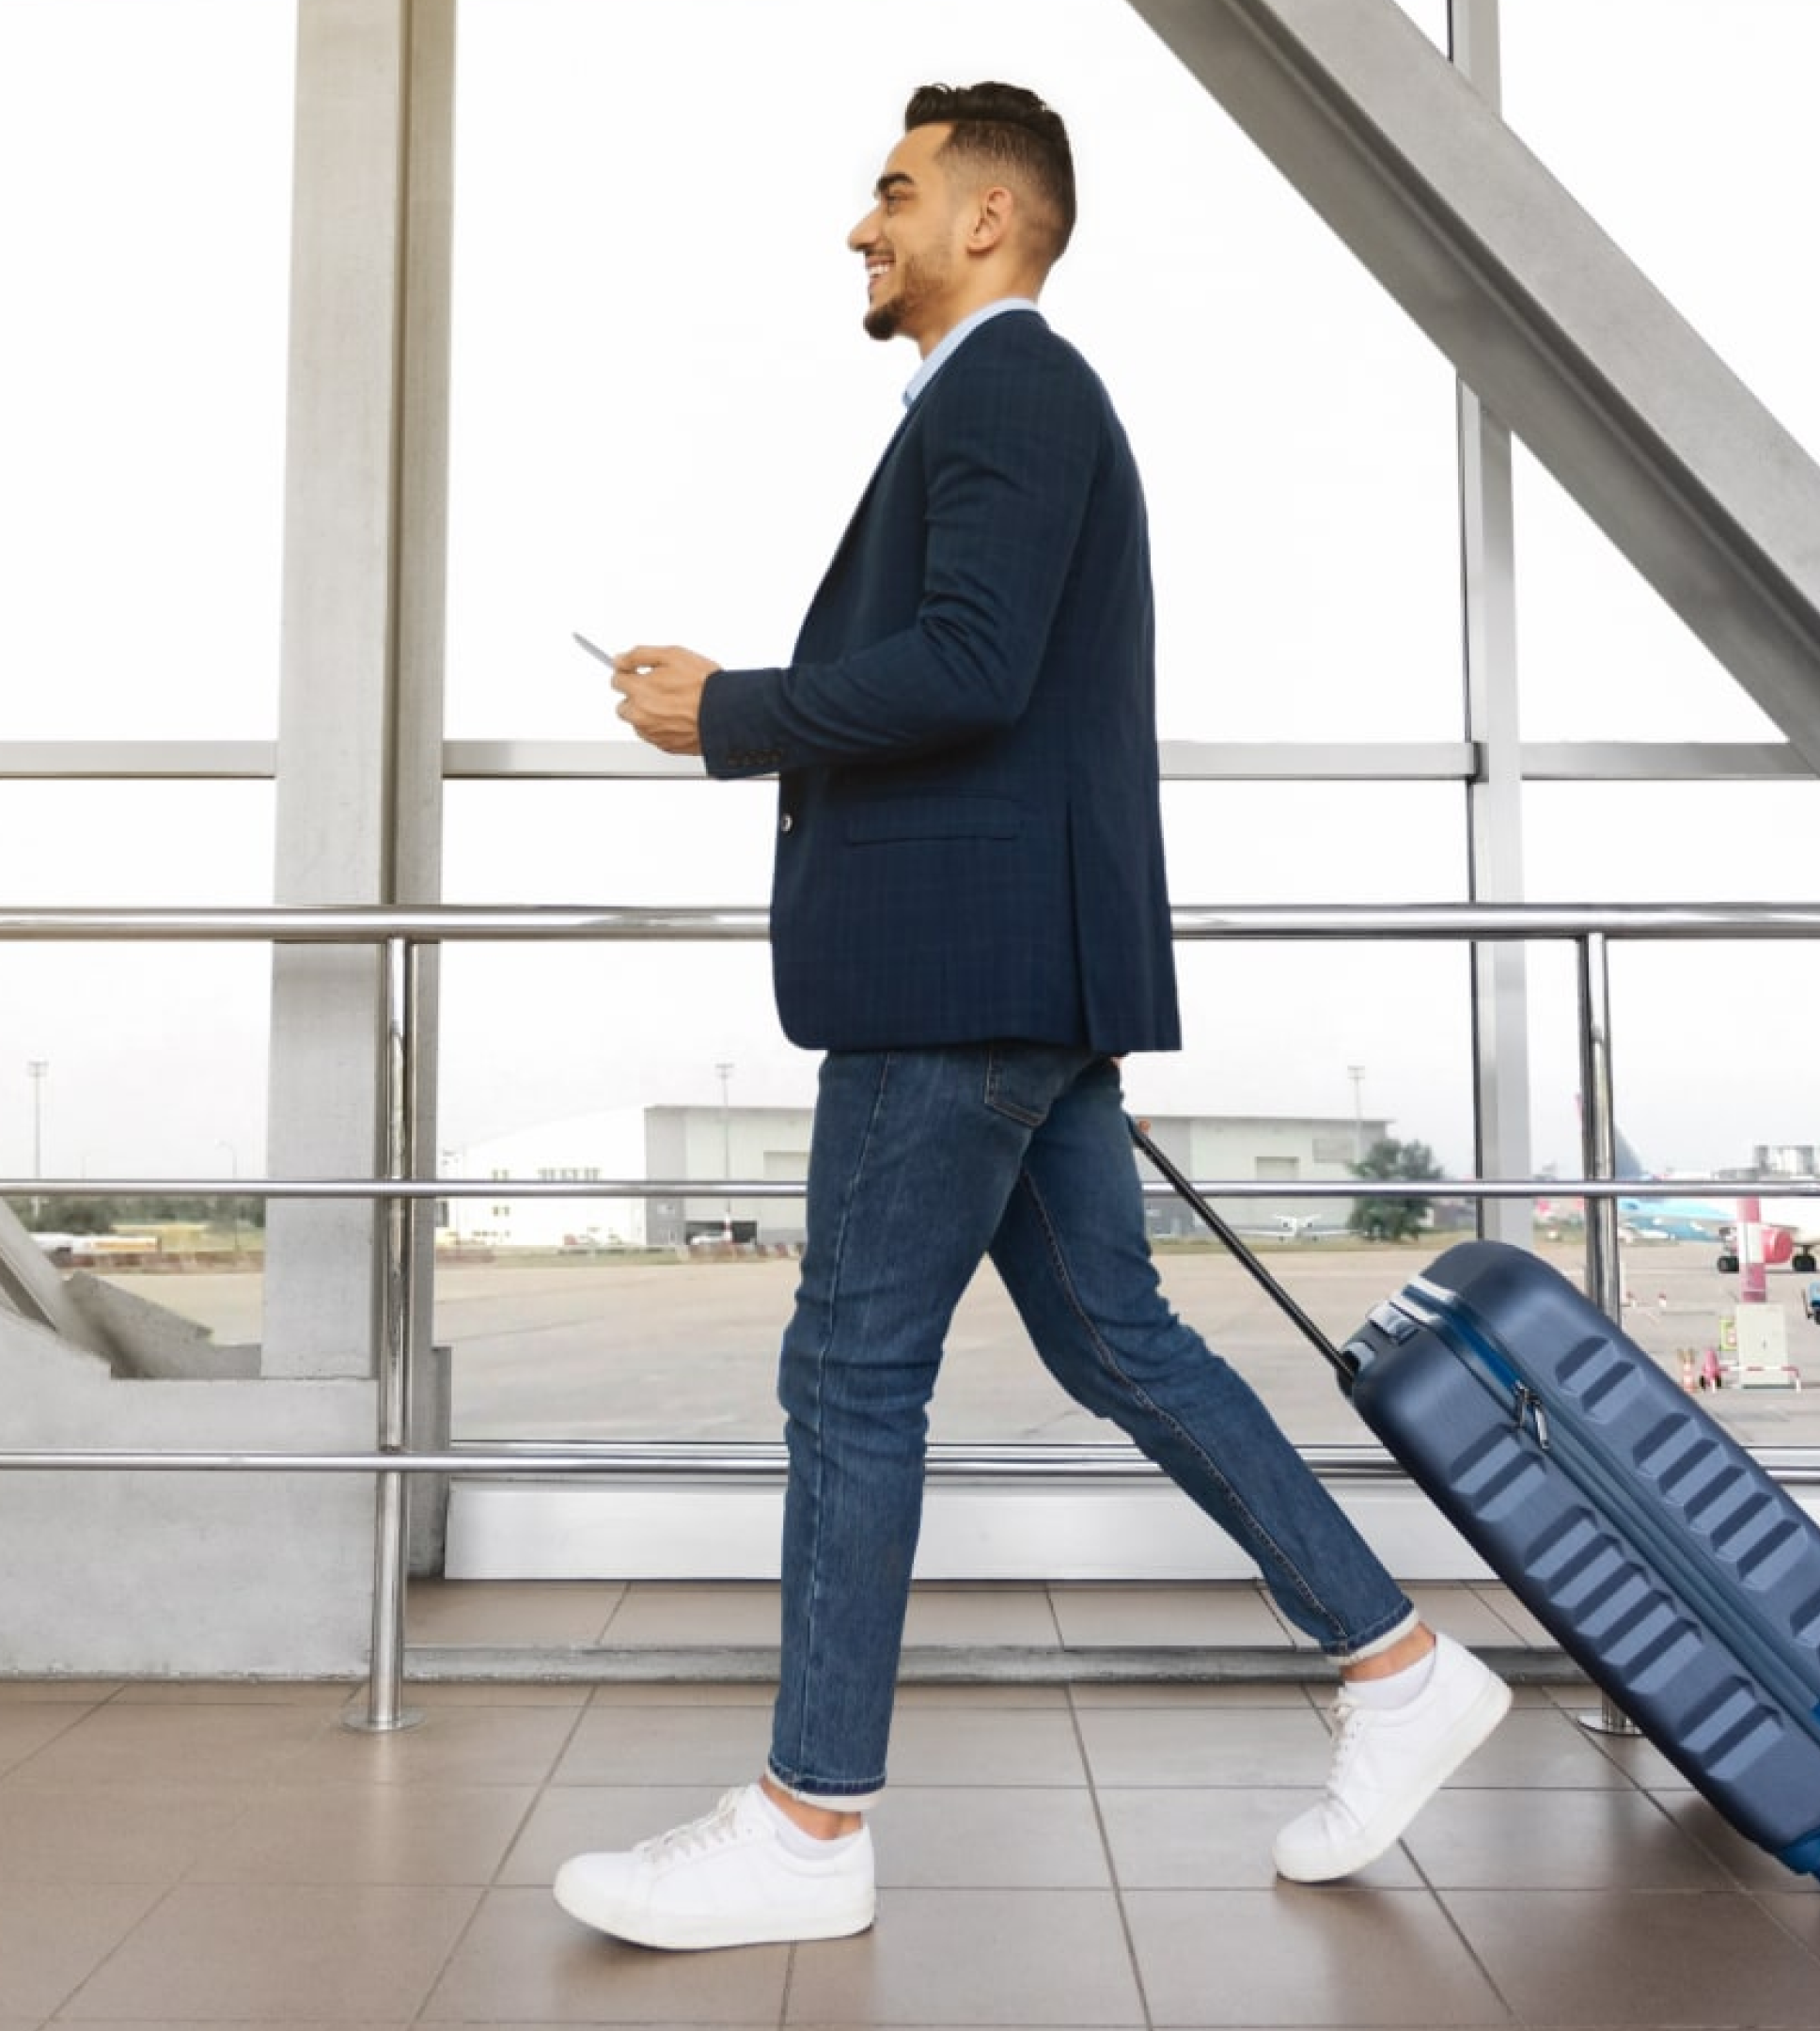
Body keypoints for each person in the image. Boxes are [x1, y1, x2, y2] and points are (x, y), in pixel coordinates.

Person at [554, 80, 1510, 1953]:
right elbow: (992, 665)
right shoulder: (1011, 404)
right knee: (1119, 1343)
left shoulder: (1005, 390)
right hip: (1024, 966)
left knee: (850, 1375)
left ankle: (810, 1826)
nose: (863, 226)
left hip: (956, 978)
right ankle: (1398, 1670)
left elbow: (973, 665)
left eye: (895, 193)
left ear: (990, 219)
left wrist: (731, 711)